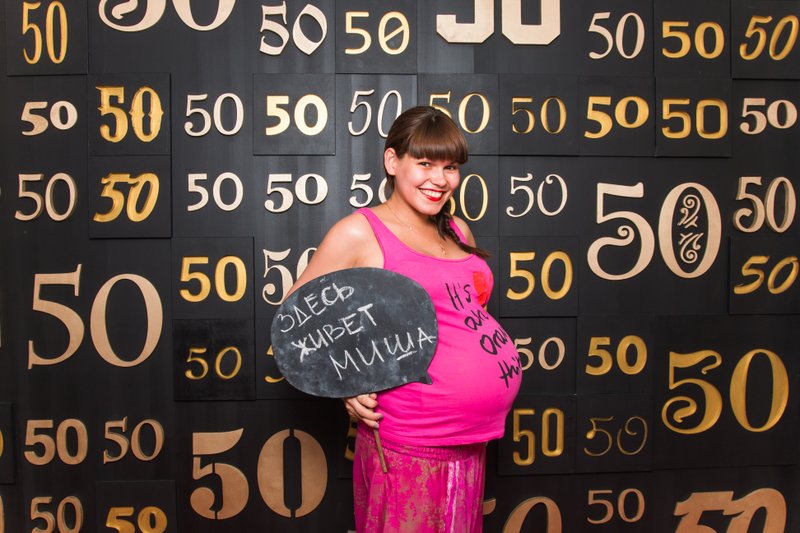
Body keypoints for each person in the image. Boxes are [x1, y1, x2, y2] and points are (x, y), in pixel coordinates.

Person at [289, 106, 522, 532]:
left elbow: (464, 316)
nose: (440, 180)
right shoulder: (360, 232)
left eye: (450, 167)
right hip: (411, 442)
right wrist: (347, 384)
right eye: (425, 163)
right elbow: (295, 322)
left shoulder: (457, 230)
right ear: (392, 161)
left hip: (470, 440)